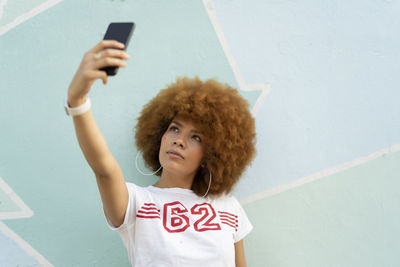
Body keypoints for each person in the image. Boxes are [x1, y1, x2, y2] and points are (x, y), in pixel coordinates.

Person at [66, 40, 256, 267]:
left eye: (196, 137)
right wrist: (77, 102)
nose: (179, 140)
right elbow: (104, 169)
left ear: (212, 154)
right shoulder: (136, 202)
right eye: (174, 128)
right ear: (158, 136)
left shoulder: (228, 206)